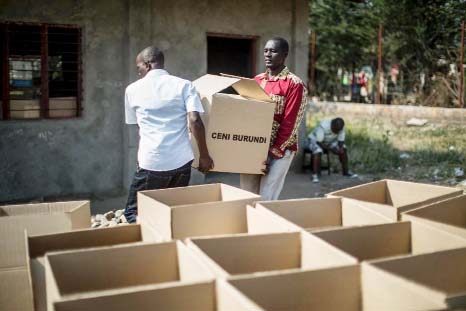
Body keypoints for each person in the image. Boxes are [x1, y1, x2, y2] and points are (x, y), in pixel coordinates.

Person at [124, 46, 213, 223]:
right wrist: (204, 156)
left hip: (152, 163)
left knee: (134, 214)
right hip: (182, 163)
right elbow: (195, 121)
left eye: (139, 68)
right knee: (172, 211)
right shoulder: (184, 85)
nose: (138, 73)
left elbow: (136, 125)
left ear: (148, 65)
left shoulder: (132, 89)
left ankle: (150, 246)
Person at [240, 37, 307, 200]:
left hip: (280, 149)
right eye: (266, 51)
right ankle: (249, 225)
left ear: (285, 55)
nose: (268, 55)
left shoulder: (294, 84)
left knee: (266, 197)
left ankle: (264, 224)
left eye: (273, 51)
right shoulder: (257, 80)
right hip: (254, 145)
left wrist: (273, 153)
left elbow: (290, 123)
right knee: (247, 193)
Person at [308, 117, 356, 183]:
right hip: (315, 141)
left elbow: (340, 141)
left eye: (338, 130)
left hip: (329, 142)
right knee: (318, 151)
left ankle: (346, 172)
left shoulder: (340, 128)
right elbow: (319, 142)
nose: (337, 132)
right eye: (336, 130)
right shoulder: (323, 126)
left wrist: (340, 149)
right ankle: (315, 175)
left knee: (344, 149)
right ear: (332, 125)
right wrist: (332, 149)